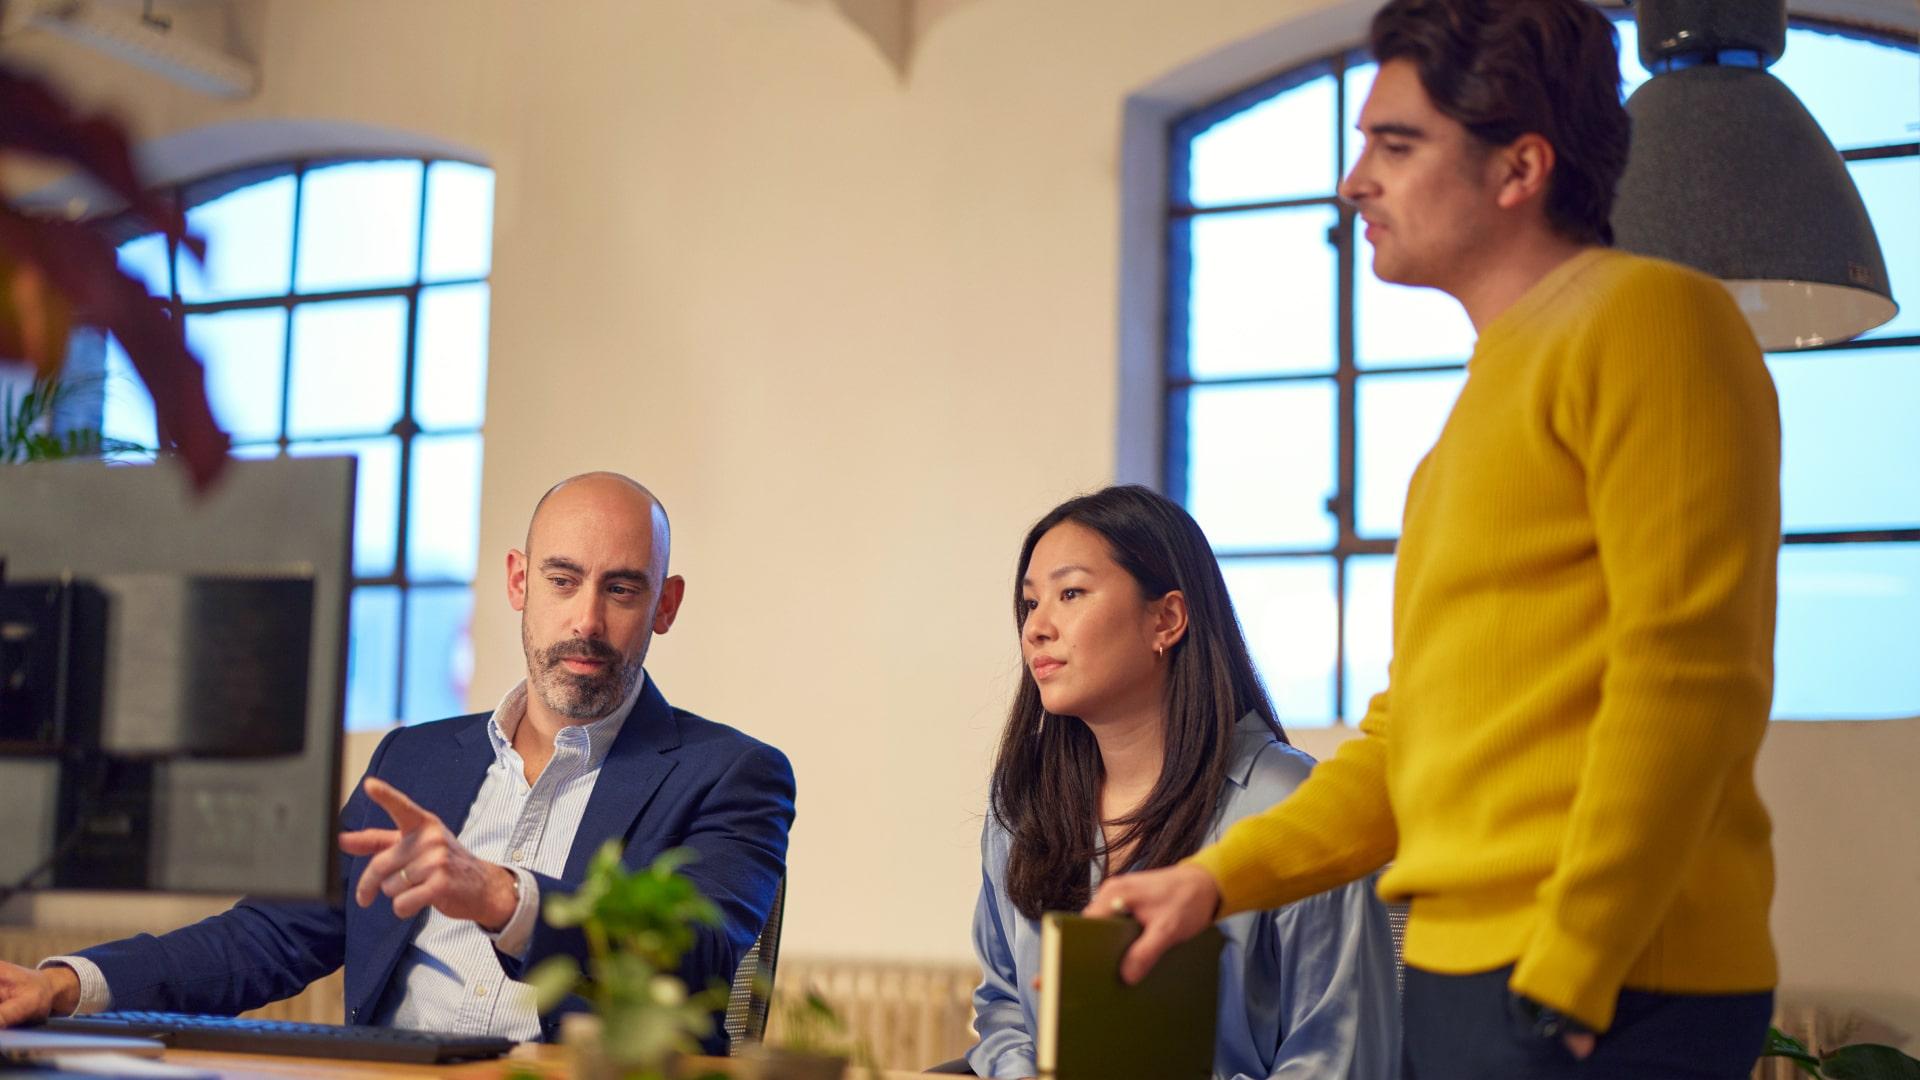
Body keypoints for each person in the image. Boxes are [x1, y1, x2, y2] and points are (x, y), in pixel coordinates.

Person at [1086, 2, 1783, 1078]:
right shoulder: (1472, 416)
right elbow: (1409, 738)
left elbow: (1688, 673)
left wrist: (1574, 965)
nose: (1353, 180)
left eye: (1394, 144)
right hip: (1470, 971)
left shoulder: (1652, 319)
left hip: (1608, 984)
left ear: (1520, 169)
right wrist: (1214, 880)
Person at [0, 472, 796, 1053]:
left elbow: (700, 958)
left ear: (666, 604)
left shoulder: (731, 774)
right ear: (520, 581)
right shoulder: (415, 759)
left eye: (622, 590)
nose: (585, 620)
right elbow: (267, 937)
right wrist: (66, 985)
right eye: (563, 580)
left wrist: (501, 897)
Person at [960, 486, 1399, 1079]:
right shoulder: (1020, 802)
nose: (1037, 627)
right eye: (1030, 603)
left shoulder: (1289, 804)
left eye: (1070, 593)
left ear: (1166, 618)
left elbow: (1339, 1057)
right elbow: (1004, 1004)